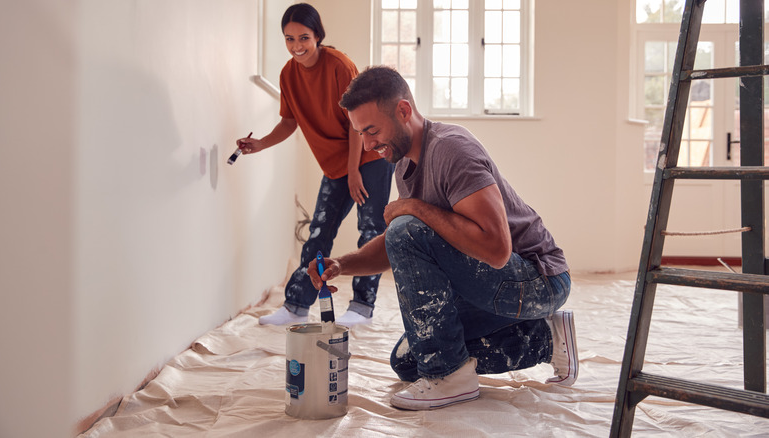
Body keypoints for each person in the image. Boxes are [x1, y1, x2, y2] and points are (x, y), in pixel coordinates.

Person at [308, 66, 577, 411]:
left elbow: (496, 250)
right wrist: (341, 265)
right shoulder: (405, 165)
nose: (368, 144)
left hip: (538, 281)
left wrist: (413, 208)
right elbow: (397, 245)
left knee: (408, 231)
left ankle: (450, 376)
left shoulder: (452, 150)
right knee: (409, 361)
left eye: (372, 130)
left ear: (403, 111)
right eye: (360, 133)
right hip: (496, 284)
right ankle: (547, 339)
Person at [237, 4, 394, 327]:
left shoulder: (339, 66)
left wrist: (354, 171)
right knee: (319, 233)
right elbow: (289, 121)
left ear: (318, 36)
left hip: (371, 155)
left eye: (304, 38)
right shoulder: (287, 75)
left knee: (370, 231)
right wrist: (260, 144)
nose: (297, 46)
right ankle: (296, 305)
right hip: (337, 163)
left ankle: (362, 307)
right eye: (289, 39)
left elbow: (356, 123)